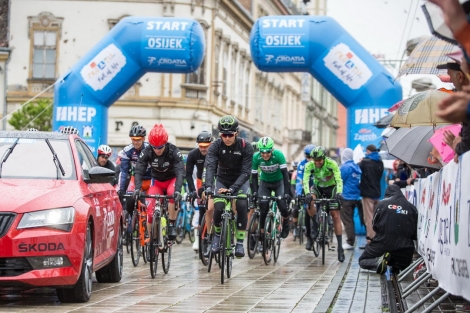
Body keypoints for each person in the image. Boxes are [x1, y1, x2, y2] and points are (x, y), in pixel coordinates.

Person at [204, 115, 253, 258]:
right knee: (218, 207)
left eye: (230, 135)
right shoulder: (215, 146)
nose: (227, 138)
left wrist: (233, 189)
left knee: (242, 205)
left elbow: (246, 172)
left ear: (236, 133)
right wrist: (208, 187)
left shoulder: (245, 146)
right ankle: (217, 235)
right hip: (222, 179)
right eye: (224, 135)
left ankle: (239, 242)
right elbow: (211, 167)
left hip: (240, 180)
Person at [133, 124, 184, 240]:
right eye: (154, 147)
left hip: (172, 180)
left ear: (165, 143)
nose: (157, 150)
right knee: (150, 212)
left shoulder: (173, 151)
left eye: (160, 147)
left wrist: (178, 190)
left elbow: (180, 171)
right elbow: (139, 170)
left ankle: (171, 224)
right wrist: (137, 188)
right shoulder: (147, 151)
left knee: (172, 194)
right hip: (157, 182)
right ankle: (150, 237)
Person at [359, 185, 418, 274]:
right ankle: (395, 265)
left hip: (383, 241)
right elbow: (414, 232)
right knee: (401, 264)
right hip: (405, 246)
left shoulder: (382, 204)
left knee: (363, 260)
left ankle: (377, 263)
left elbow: (374, 225)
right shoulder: (411, 207)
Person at [303, 146, 345, 262]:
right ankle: (315, 223)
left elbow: (339, 179)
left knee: (335, 215)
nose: (316, 163)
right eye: (314, 160)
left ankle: (340, 248)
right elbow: (305, 180)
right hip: (318, 188)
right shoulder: (309, 165)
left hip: (331, 188)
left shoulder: (332, 164)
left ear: (324, 158)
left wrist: (339, 192)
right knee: (310, 201)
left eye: (319, 160)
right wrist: (307, 193)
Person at [250, 137, 291, 252]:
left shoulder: (279, 155)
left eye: (267, 152)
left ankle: (286, 221)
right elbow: (253, 177)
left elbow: (285, 175)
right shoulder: (256, 157)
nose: (265, 155)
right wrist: (254, 192)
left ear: (272, 150)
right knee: (263, 208)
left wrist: (287, 193)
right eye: (262, 152)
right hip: (265, 183)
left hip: (279, 182)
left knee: (282, 204)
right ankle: (263, 235)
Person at [185, 130, 214, 251]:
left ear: (211, 144)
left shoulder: (214, 152)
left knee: (215, 206)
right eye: (200, 146)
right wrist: (192, 191)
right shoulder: (193, 154)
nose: (203, 149)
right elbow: (188, 174)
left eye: (205, 147)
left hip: (214, 178)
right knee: (201, 208)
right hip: (200, 180)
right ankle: (203, 237)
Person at [117, 125, 152, 214]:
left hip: (150, 179)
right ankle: (131, 221)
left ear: (143, 139)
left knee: (150, 204)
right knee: (130, 199)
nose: (135, 142)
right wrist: (121, 189)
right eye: (133, 139)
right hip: (136, 179)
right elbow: (124, 171)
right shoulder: (128, 150)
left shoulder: (150, 149)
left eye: (138, 140)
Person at [358, 144, 384, 247]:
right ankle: (378, 237)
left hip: (367, 194)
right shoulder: (380, 162)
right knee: (377, 217)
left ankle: (371, 240)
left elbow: (358, 169)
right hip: (377, 193)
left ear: (368, 151)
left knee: (368, 218)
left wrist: (361, 161)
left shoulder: (364, 162)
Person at [339, 148, 362, 250]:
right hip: (356, 196)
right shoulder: (355, 166)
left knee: (347, 220)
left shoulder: (345, 167)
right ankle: (352, 240)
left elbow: (339, 180)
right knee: (351, 219)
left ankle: (350, 241)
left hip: (346, 197)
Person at [295, 144, 316, 250]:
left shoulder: (319, 163)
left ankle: (324, 228)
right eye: (307, 157)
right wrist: (298, 194)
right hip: (306, 188)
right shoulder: (302, 165)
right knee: (307, 210)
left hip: (318, 188)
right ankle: (309, 237)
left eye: (311, 157)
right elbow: (299, 180)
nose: (309, 159)